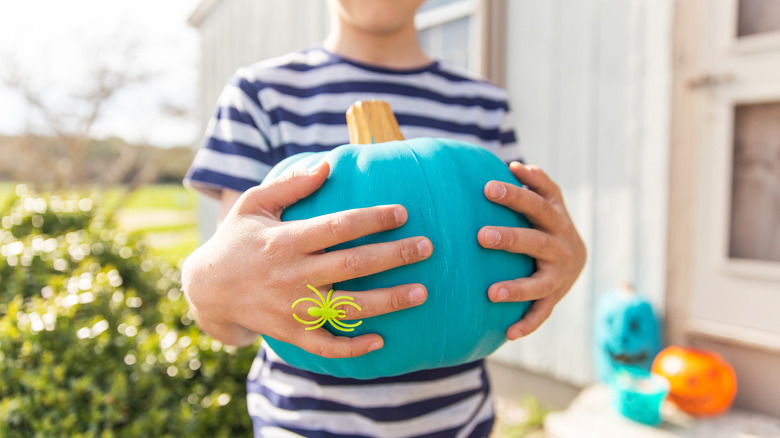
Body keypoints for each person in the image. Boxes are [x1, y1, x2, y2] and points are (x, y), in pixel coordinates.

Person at [181, 0, 587, 436]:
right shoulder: (261, 96)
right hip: (302, 424)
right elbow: (238, 313)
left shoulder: (482, 104)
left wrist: (565, 259)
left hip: (456, 422)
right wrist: (209, 286)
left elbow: (511, 247)